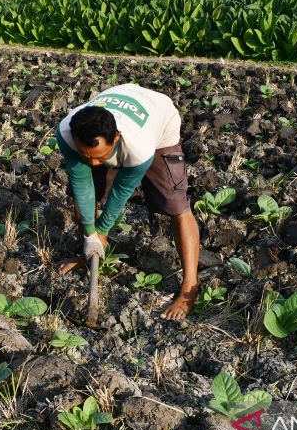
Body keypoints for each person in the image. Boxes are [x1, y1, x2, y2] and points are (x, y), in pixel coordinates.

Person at [55, 84, 201, 320]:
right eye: (86, 156)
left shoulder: (139, 147)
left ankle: (189, 289)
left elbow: (121, 192)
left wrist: (102, 230)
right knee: (82, 192)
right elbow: (83, 188)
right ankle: (87, 255)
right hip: (121, 98)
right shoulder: (66, 133)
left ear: (117, 138)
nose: (94, 164)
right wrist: (90, 236)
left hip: (158, 119)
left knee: (175, 204)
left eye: (100, 157)